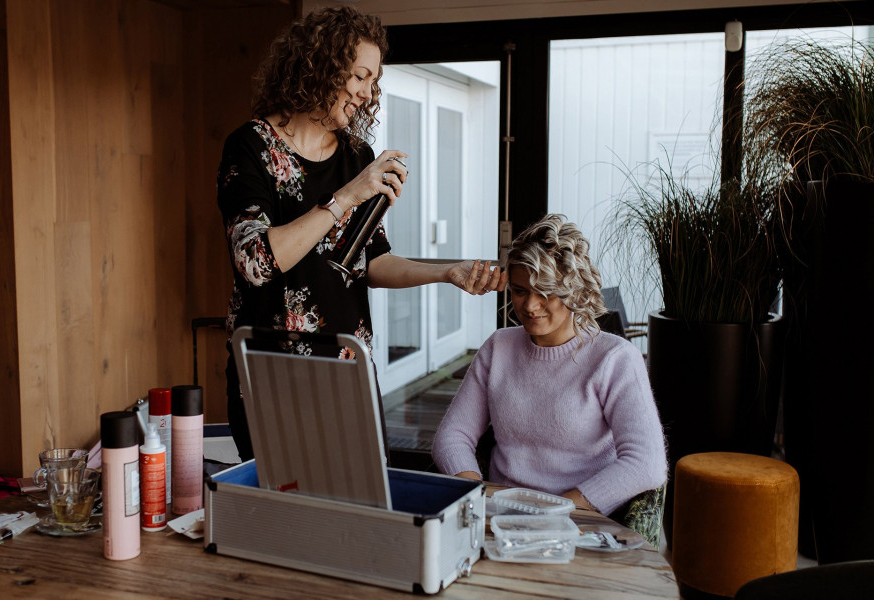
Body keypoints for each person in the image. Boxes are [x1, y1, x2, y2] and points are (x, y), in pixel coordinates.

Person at [217, 6, 506, 462]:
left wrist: (446, 272)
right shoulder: (251, 147)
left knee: (360, 520)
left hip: (347, 372)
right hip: (270, 377)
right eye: (360, 76)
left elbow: (371, 263)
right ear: (320, 64)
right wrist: (346, 197)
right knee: (284, 521)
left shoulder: (357, 155)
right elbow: (256, 261)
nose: (367, 93)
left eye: (374, 81)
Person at [432, 214, 666, 517]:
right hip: (500, 515)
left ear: (574, 289)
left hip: (581, 520)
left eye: (546, 292)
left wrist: (554, 510)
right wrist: (472, 496)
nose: (530, 306)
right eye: (520, 291)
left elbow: (646, 463)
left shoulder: (615, 358)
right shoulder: (498, 347)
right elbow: (452, 436)